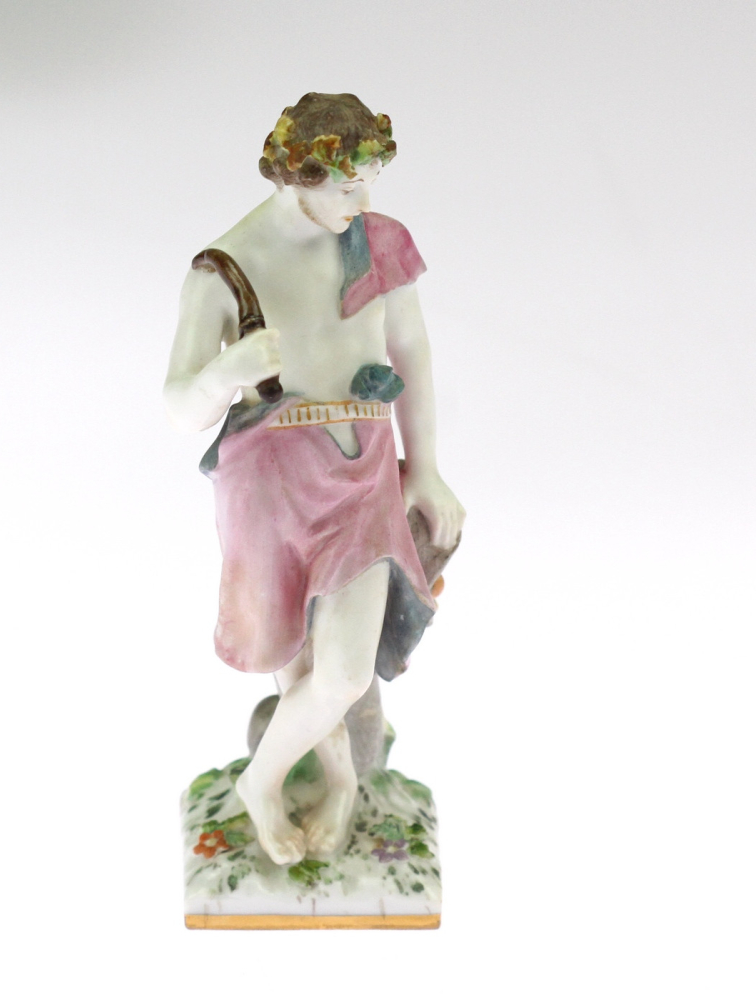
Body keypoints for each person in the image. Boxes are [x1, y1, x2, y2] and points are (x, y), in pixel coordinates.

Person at [164, 93, 464, 865]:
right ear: (296, 175)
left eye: (369, 184)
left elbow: (412, 352)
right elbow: (180, 406)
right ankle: (338, 786)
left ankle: (259, 783)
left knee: (343, 673)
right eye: (346, 186)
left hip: (362, 469)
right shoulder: (225, 270)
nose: (361, 203)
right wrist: (224, 372)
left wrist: (426, 467)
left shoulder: (379, 244)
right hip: (270, 482)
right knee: (295, 664)